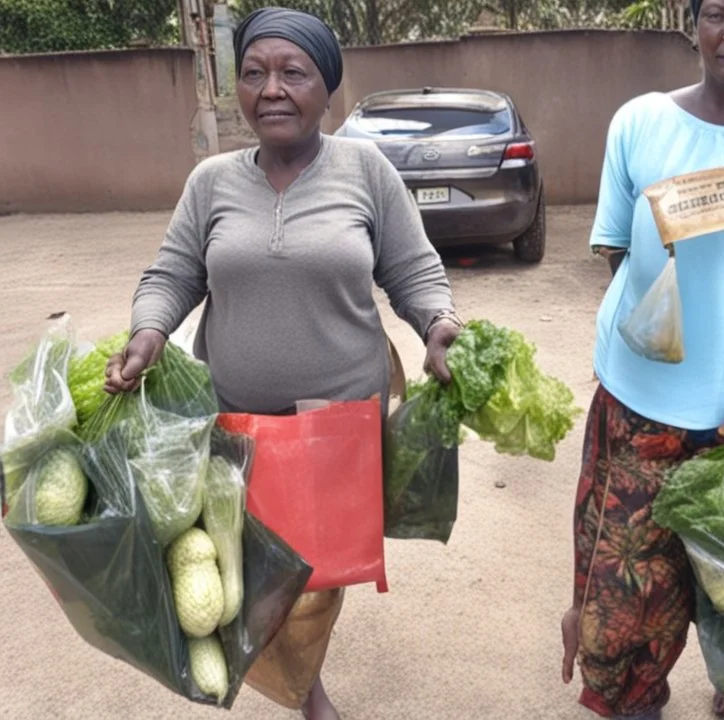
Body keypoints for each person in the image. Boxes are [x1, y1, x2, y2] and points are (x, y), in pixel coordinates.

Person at [103, 7, 462, 719]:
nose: (271, 89)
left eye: (293, 73)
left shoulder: (366, 171)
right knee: (248, 574)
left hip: (337, 426)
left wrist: (439, 324)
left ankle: (303, 685)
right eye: (255, 73)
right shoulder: (211, 181)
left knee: (318, 582)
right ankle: (306, 689)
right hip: (235, 424)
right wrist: (149, 332)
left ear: (326, 88)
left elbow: (415, 271)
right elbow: (172, 275)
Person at [558, 0, 724, 718]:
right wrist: (664, 291)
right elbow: (613, 243)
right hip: (638, 400)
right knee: (626, 588)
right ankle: (638, 698)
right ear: (693, 24)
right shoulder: (641, 121)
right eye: (716, 14)